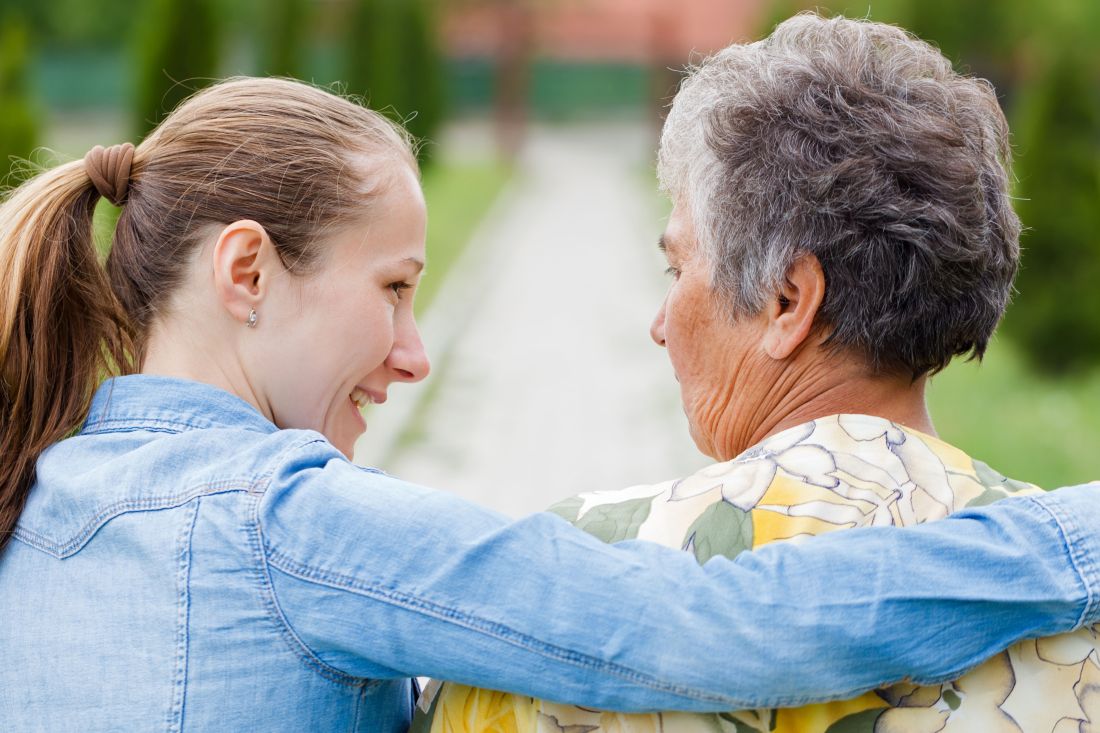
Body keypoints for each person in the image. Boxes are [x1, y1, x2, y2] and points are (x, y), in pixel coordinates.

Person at [0, 77, 1097, 733]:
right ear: (245, 272)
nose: (413, 354)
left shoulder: (29, 496)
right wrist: (1070, 536)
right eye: (390, 288)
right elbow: (709, 625)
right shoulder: (290, 525)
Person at [416, 13, 1100, 733]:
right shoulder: (1073, 598)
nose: (659, 323)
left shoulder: (577, 582)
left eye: (677, 267)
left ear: (787, 300)